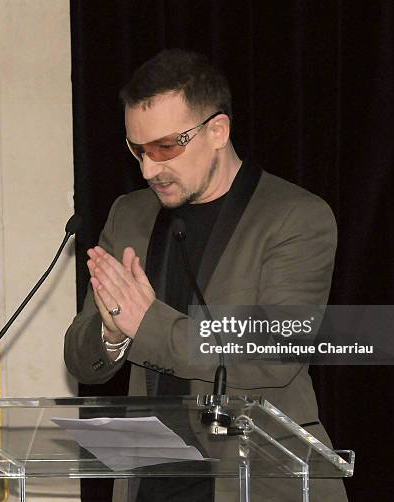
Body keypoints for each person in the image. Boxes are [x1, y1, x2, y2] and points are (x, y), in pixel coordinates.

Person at [64, 49, 347, 502]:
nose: (148, 168)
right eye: (137, 149)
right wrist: (113, 335)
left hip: (257, 478)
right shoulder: (130, 214)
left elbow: (274, 350)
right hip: (149, 480)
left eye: (166, 147)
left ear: (217, 130)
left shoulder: (295, 216)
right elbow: (83, 359)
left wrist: (146, 326)